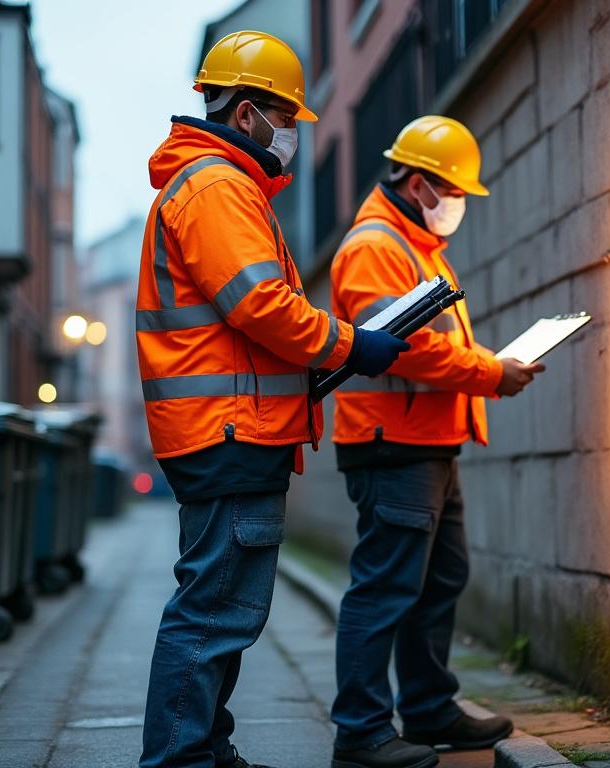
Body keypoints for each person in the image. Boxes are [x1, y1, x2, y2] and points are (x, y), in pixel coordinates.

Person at [136, 31, 409, 768]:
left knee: (224, 607)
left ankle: (205, 748)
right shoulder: (218, 187)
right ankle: (181, 760)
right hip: (229, 432)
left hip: (224, 430)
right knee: (214, 611)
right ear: (247, 113)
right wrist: (352, 344)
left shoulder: (214, 184)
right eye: (285, 117)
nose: (290, 132)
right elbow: (260, 304)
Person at [327, 115, 545, 768]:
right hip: (392, 445)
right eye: (451, 191)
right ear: (418, 183)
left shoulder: (415, 246)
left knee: (439, 579)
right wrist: (491, 373)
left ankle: (426, 709)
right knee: (385, 590)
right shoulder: (375, 246)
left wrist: (490, 367)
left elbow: (432, 345)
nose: (456, 204)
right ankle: (361, 734)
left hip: (425, 442)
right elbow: (403, 348)